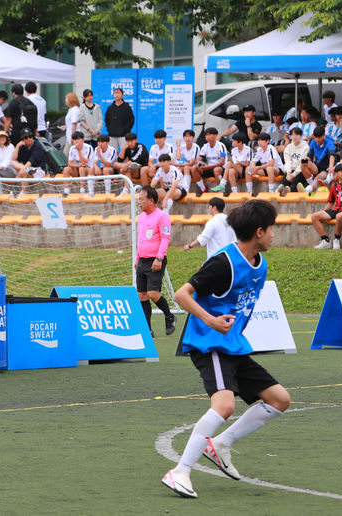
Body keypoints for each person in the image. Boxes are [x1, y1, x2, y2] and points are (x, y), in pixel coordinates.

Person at [163, 199, 290, 499]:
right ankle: (180, 471)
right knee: (224, 406)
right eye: (272, 229)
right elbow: (182, 294)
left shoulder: (261, 264)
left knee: (279, 400)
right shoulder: (223, 263)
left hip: (232, 345)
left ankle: (220, 444)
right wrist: (210, 320)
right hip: (209, 343)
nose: (274, 234)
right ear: (259, 231)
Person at [136, 186, 176, 337]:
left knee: (153, 293)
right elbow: (140, 238)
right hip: (142, 260)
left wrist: (159, 258)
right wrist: (137, 258)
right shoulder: (141, 217)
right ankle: (148, 330)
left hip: (155, 260)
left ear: (151, 200)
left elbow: (165, 238)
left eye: (141, 199)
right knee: (142, 296)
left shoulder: (162, 216)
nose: (139, 202)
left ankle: (169, 316)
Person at [311, 163, 342, 250]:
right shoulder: (334, 186)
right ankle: (325, 241)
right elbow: (331, 202)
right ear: (336, 174)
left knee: (339, 216)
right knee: (314, 216)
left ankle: (337, 239)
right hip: (337, 209)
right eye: (340, 171)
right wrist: (324, 212)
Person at [300, 126, 337, 194]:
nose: (317, 140)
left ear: (324, 135)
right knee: (303, 164)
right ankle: (313, 187)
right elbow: (310, 157)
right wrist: (306, 159)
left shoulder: (329, 143)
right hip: (317, 166)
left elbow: (332, 156)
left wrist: (331, 166)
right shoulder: (313, 142)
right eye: (316, 137)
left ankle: (307, 190)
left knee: (318, 177)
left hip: (327, 168)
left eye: (319, 137)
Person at [190, 127, 226, 196]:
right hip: (208, 168)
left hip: (219, 168)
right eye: (206, 135)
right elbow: (199, 160)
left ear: (215, 135)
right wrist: (201, 164)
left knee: (216, 170)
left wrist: (208, 166)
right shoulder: (205, 146)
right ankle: (203, 188)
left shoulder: (221, 146)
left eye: (209, 135)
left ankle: (221, 191)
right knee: (194, 168)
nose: (207, 137)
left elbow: (222, 162)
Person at [11, 128, 46, 194]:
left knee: (25, 171)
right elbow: (14, 159)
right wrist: (18, 146)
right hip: (28, 169)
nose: (29, 139)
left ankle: (23, 192)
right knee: (13, 163)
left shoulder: (37, 146)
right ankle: (27, 170)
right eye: (26, 137)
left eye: (30, 136)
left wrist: (23, 169)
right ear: (22, 140)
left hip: (38, 170)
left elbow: (31, 161)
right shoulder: (22, 146)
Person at [276, 127, 310, 196]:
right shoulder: (288, 147)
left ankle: (290, 190)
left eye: (296, 135)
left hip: (301, 170)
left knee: (296, 179)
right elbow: (287, 161)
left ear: (300, 136)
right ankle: (281, 188)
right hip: (291, 169)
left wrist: (293, 175)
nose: (294, 137)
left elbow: (302, 163)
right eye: (293, 135)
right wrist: (288, 172)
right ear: (290, 136)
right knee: (286, 177)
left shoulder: (305, 146)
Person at [63, 131, 95, 196]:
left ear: (83, 140)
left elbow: (84, 162)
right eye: (74, 139)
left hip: (89, 170)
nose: (76, 141)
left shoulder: (89, 148)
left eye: (78, 139)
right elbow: (70, 163)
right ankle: (66, 191)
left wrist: (79, 150)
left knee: (82, 168)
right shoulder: (72, 148)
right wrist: (79, 165)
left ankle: (82, 190)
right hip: (78, 169)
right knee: (66, 169)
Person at [104, 88, 135, 152]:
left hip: (124, 135)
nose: (116, 95)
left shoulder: (127, 107)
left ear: (122, 95)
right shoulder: (110, 108)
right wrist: (110, 129)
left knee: (126, 152)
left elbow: (131, 120)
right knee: (113, 153)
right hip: (112, 135)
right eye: (115, 93)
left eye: (118, 93)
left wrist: (125, 130)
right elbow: (107, 119)